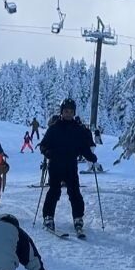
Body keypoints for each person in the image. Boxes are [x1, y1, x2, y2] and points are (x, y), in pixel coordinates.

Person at [39, 98, 97, 237]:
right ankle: (48, 216)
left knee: (74, 192)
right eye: (66, 111)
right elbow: (43, 145)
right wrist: (47, 152)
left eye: (71, 111)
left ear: (74, 112)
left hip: (71, 165)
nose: (68, 114)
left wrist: (90, 156)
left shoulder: (78, 129)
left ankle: (78, 218)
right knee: (54, 191)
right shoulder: (54, 127)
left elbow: (83, 147)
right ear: (61, 112)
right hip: (55, 164)